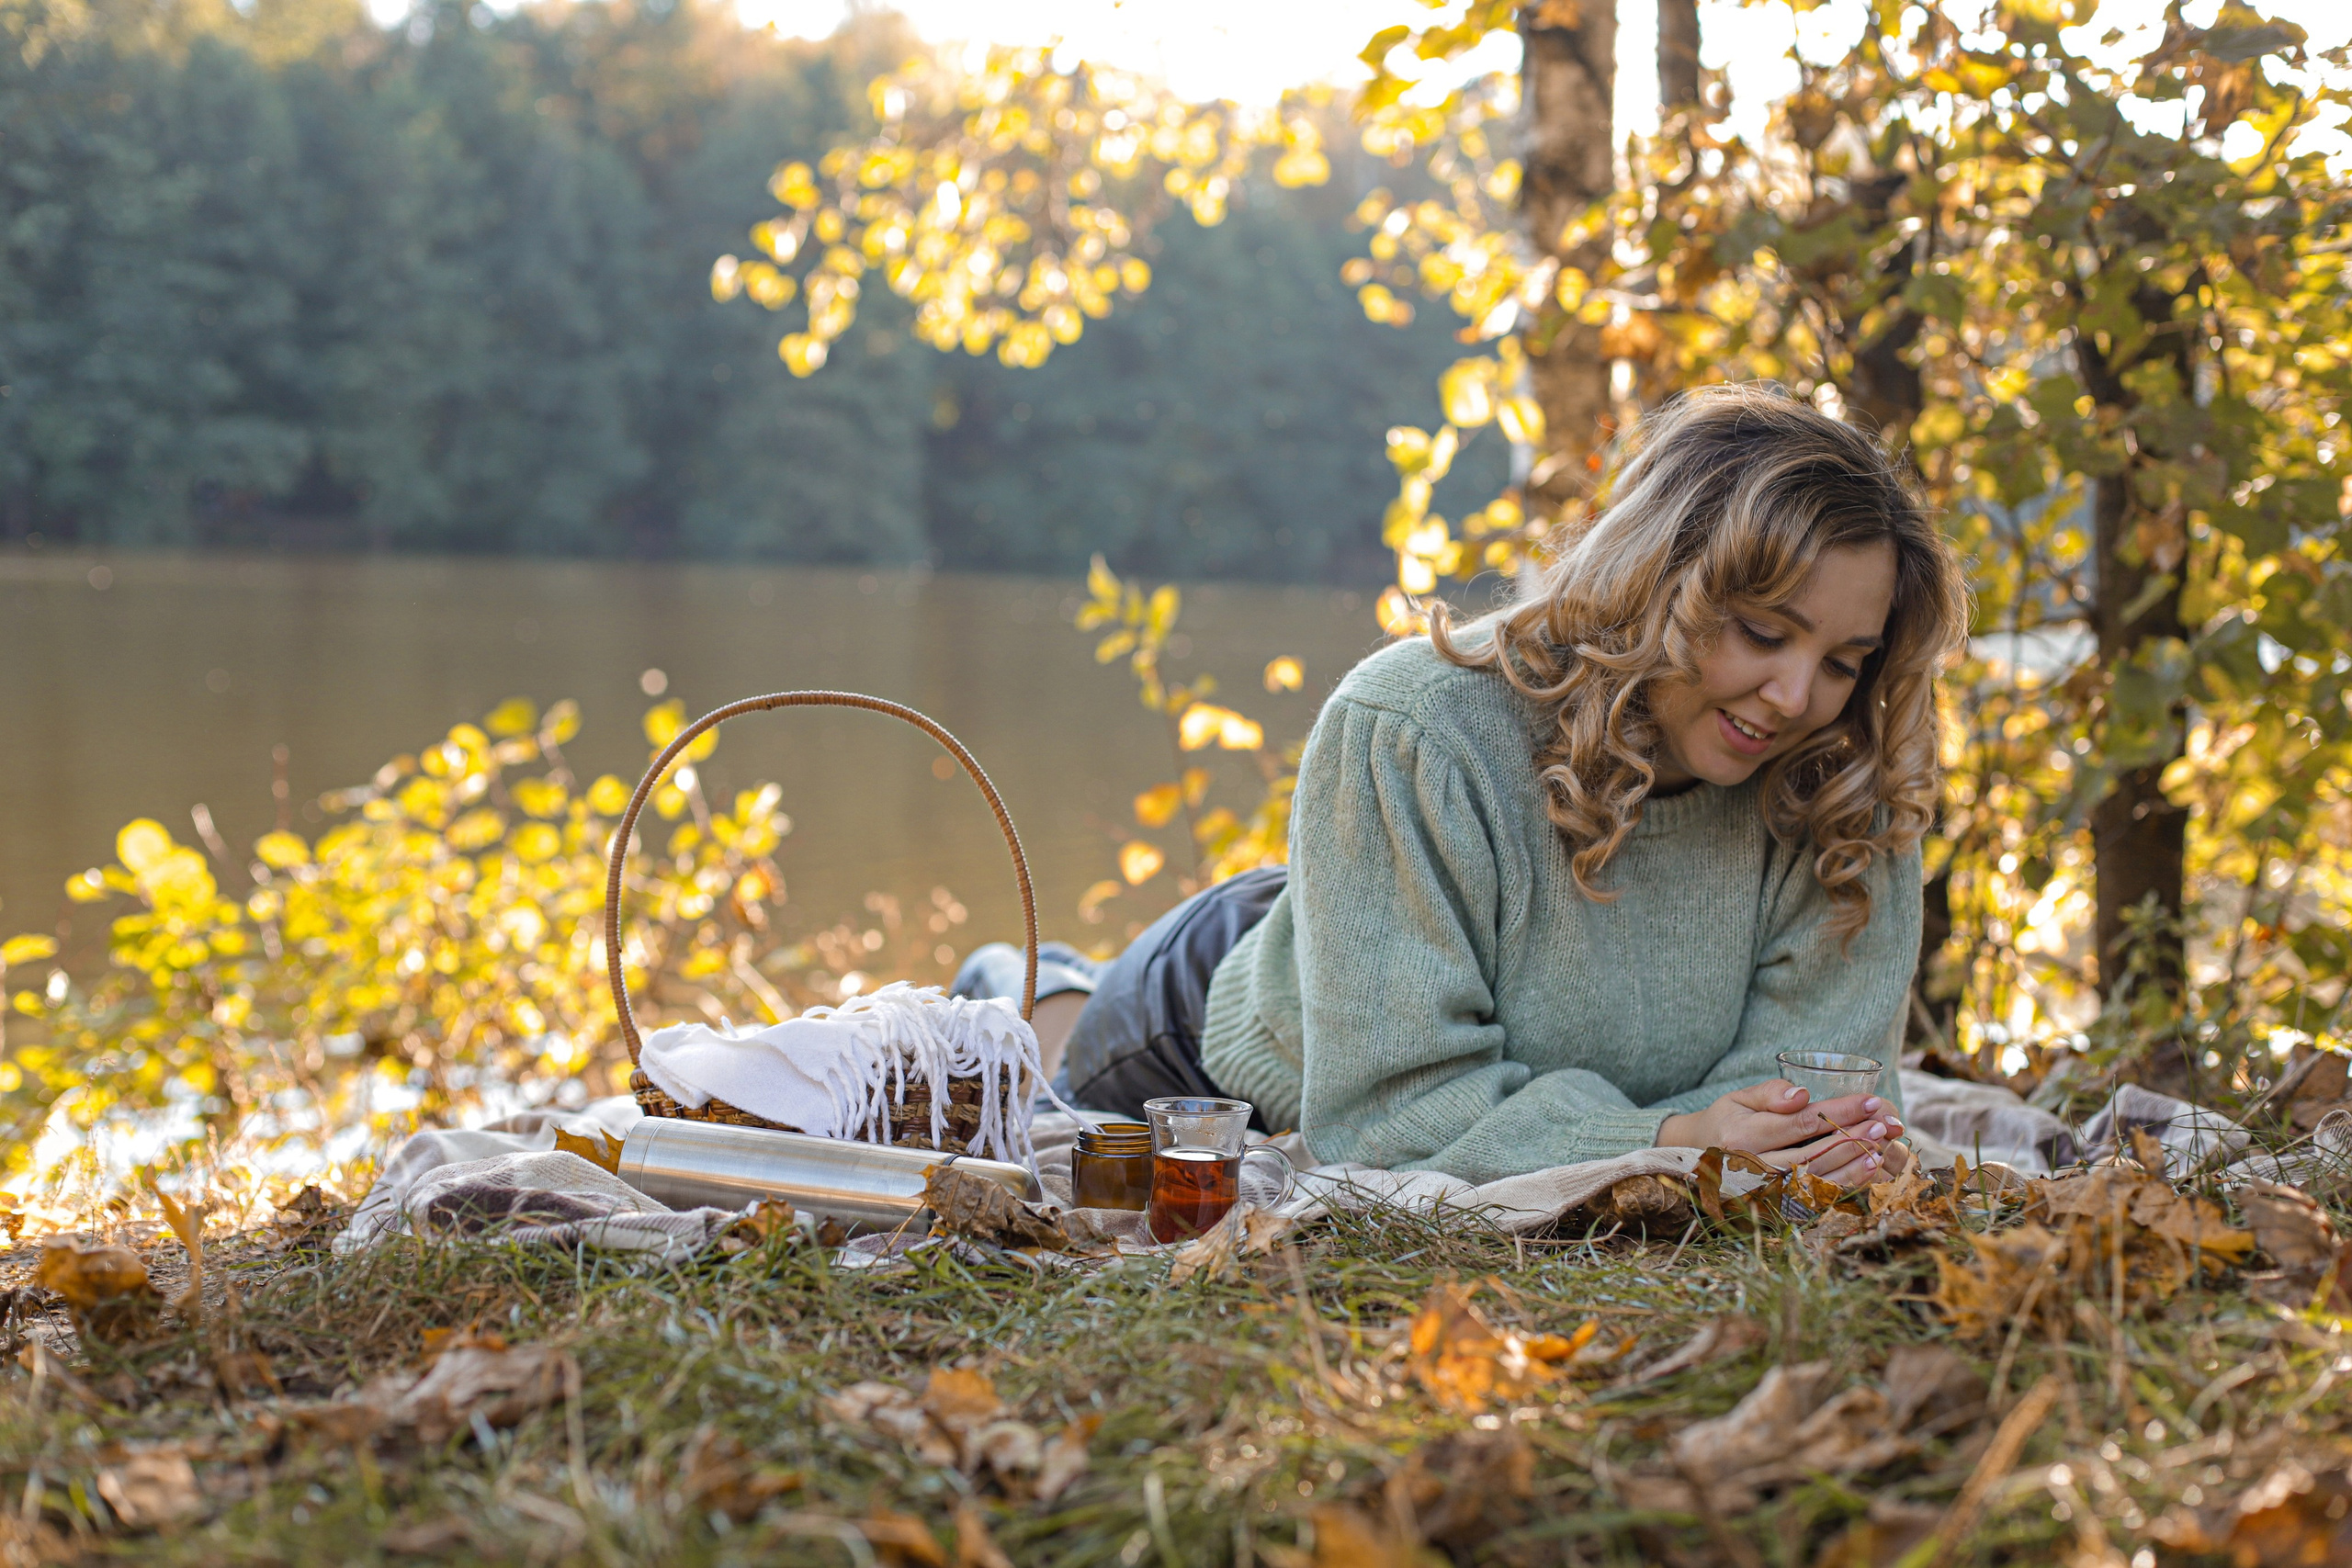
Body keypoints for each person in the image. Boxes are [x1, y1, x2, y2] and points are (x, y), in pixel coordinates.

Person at [1008, 384, 1968, 1187]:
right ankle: (1016, 980)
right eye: (1762, 632)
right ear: (1654, 582)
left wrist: (1718, 1142)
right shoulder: (1411, 726)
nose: (1797, 695)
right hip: (1219, 1027)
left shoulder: (1850, 779)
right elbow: (1392, 1116)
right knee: (1033, 1047)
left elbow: (1815, 1109)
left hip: (1411, 933)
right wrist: (1672, 1141)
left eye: (1844, 660)